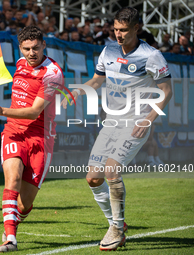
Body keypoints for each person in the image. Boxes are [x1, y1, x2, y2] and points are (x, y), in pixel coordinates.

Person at [62, 7, 172, 251]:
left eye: (123, 30)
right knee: (92, 177)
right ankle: (115, 224)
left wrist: (149, 119)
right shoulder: (108, 49)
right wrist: (79, 89)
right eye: (115, 30)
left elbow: (166, 92)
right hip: (111, 121)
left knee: (111, 170)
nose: (118, 35)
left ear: (136, 28)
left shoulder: (151, 55)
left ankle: (116, 229)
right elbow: (97, 78)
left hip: (135, 122)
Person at [0, 25, 64, 253]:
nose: (31, 53)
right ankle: (11, 239)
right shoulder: (19, 63)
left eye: (36, 48)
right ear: (20, 48)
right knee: (13, 180)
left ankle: (13, 221)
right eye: (26, 49)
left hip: (41, 137)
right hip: (14, 132)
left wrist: (1, 111)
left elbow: (34, 112)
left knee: (25, 204)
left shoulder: (52, 73)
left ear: (44, 45)